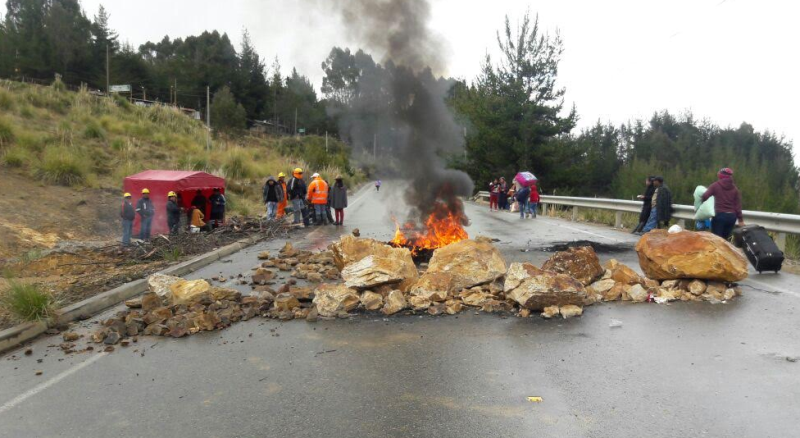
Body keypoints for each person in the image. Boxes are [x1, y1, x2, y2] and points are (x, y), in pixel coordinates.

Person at [702, 167, 744, 240]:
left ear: (721, 175)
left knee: (717, 240)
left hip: (719, 215)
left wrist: (702, 203)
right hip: (732, 217)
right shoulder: (735, 189)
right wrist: (740, 220)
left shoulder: (715, 185)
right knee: (725, 240)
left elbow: (705, 196)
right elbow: (738, 206)